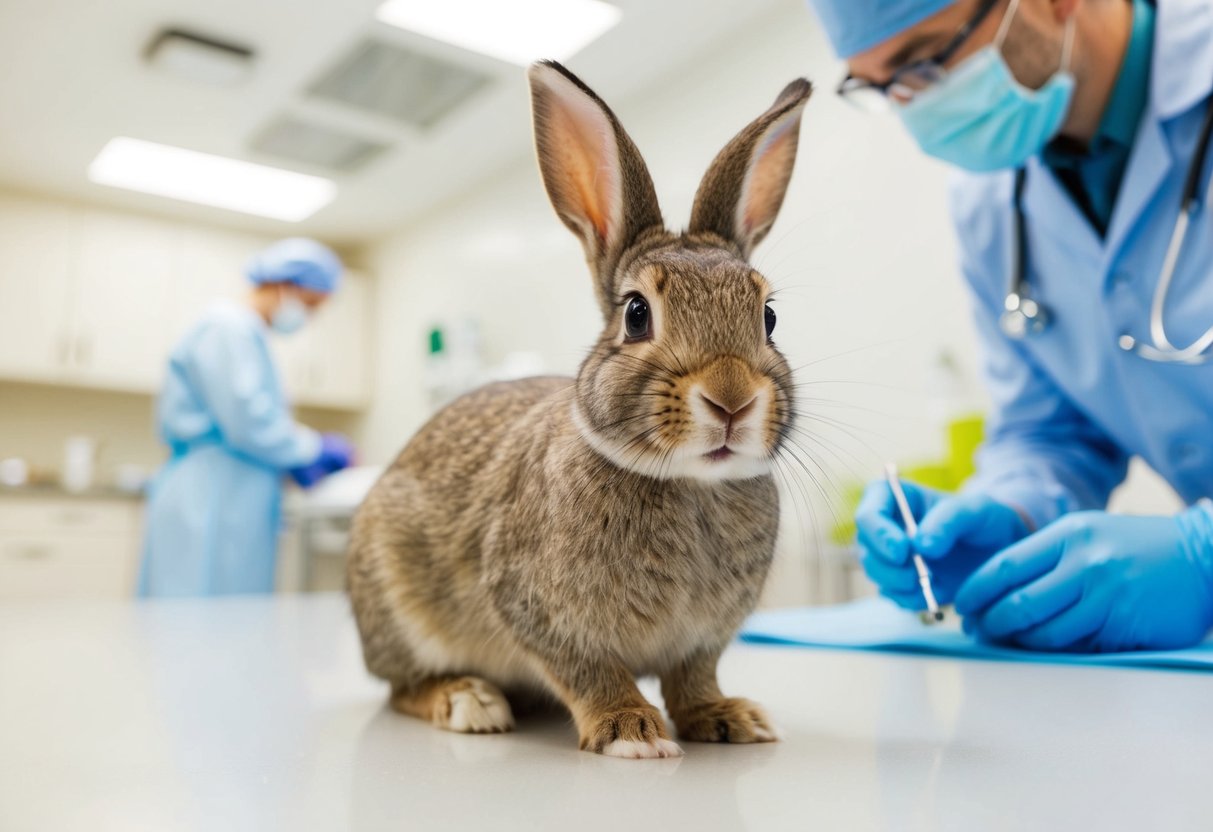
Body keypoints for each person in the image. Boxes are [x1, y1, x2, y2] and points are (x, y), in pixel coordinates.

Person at [807, 0, 1213, 651]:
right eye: (880, 87)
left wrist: (1203, 556)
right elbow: (1050, 429)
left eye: (924, 62)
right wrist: (1007, 510)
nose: (915, 111)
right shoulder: (990, 205)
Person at [139, 238, 355, 597]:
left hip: (233, 493)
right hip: (210, 494)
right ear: (287, 286)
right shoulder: (227, 328)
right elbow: (249, 423)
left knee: (227, 621)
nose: (310, 318)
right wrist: (313, 449)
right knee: (194, 615)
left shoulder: (246, 334)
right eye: (312, 305)